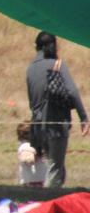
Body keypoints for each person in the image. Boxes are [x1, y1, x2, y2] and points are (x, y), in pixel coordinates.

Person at [26, 31, 89, 188]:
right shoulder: (58, 65)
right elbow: (72, 91)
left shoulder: (30, 69)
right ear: (53, 46)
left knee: (53, 165)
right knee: (55, 169)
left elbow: (31, 100)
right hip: (56, 123)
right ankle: (46, 204)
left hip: (38, 126)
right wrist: (83, 117)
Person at [17, 120, 49, 188]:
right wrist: (32, 157)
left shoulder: (37, 145)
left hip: (40, 180)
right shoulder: (25, 146)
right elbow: (26, 159)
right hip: (30, 182)